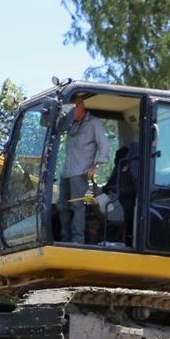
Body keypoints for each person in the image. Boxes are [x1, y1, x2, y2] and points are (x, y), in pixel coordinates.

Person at [56, 92, 109, 244]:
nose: (68, 114)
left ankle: (77, 241)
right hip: (66, 172)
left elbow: (105, 145)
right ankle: (64, 239)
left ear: (80, 106)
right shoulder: (71, 124)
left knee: (77, 206)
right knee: (61, 206)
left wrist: (96, 165)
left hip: (80, 173)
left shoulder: (93, 123)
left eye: (70, 109)